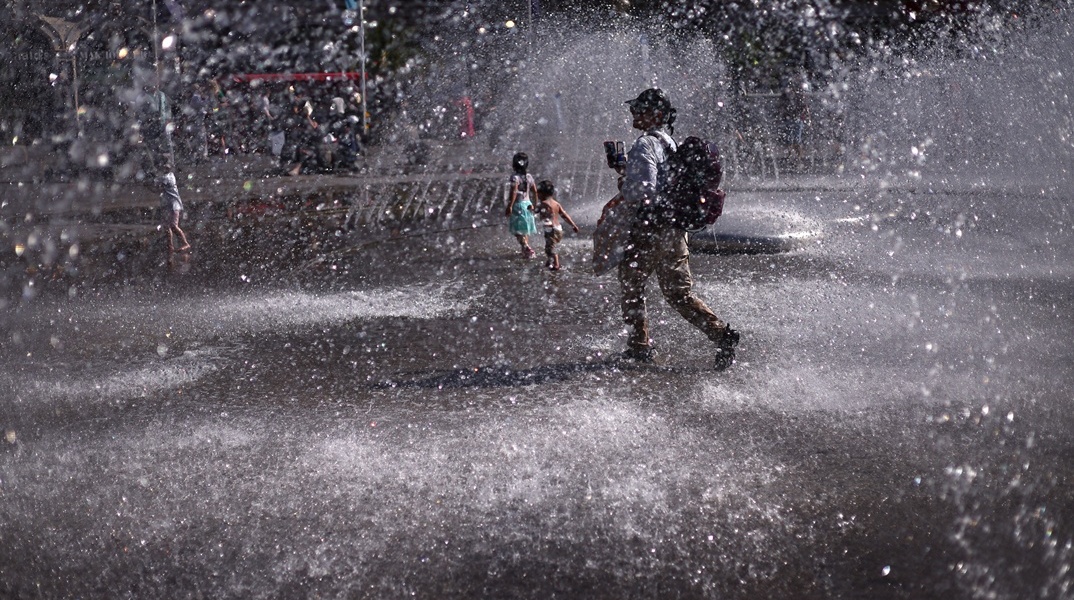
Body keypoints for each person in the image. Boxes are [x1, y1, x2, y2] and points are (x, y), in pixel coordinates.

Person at [617, 87, 739, 368]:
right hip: (674, 228)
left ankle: (639, 346)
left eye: (639, 109)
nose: (634, 113)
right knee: (678, 293)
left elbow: (645, 190)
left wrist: (624, 182)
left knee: (632, 282)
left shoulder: (645, 144)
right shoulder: (669, 142)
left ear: (654, 114)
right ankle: (721, 334)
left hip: (650, 228)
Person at [535, 180, 579, 271]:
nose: (537, 196)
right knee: (550, 246)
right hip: (558, 229)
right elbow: (564, 215)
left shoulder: (543, 204)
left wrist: (530, 209)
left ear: (542, 193)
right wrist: (573, 225)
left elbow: (537, 211)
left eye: (538, 193)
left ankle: (556, 264)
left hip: (551, 229)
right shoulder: (556, 203)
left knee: (550, 249)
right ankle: (549, 262)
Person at [505, 152, 539, 258]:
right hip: (528, 204)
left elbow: (514, 192)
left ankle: (526, 247)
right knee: (525, 230)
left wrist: (510, 206)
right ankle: (525, 251)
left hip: (518, 205)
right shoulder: (529, 177)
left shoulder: (515, 177)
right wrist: (535, 205)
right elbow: (535, 192)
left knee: (517, 231)